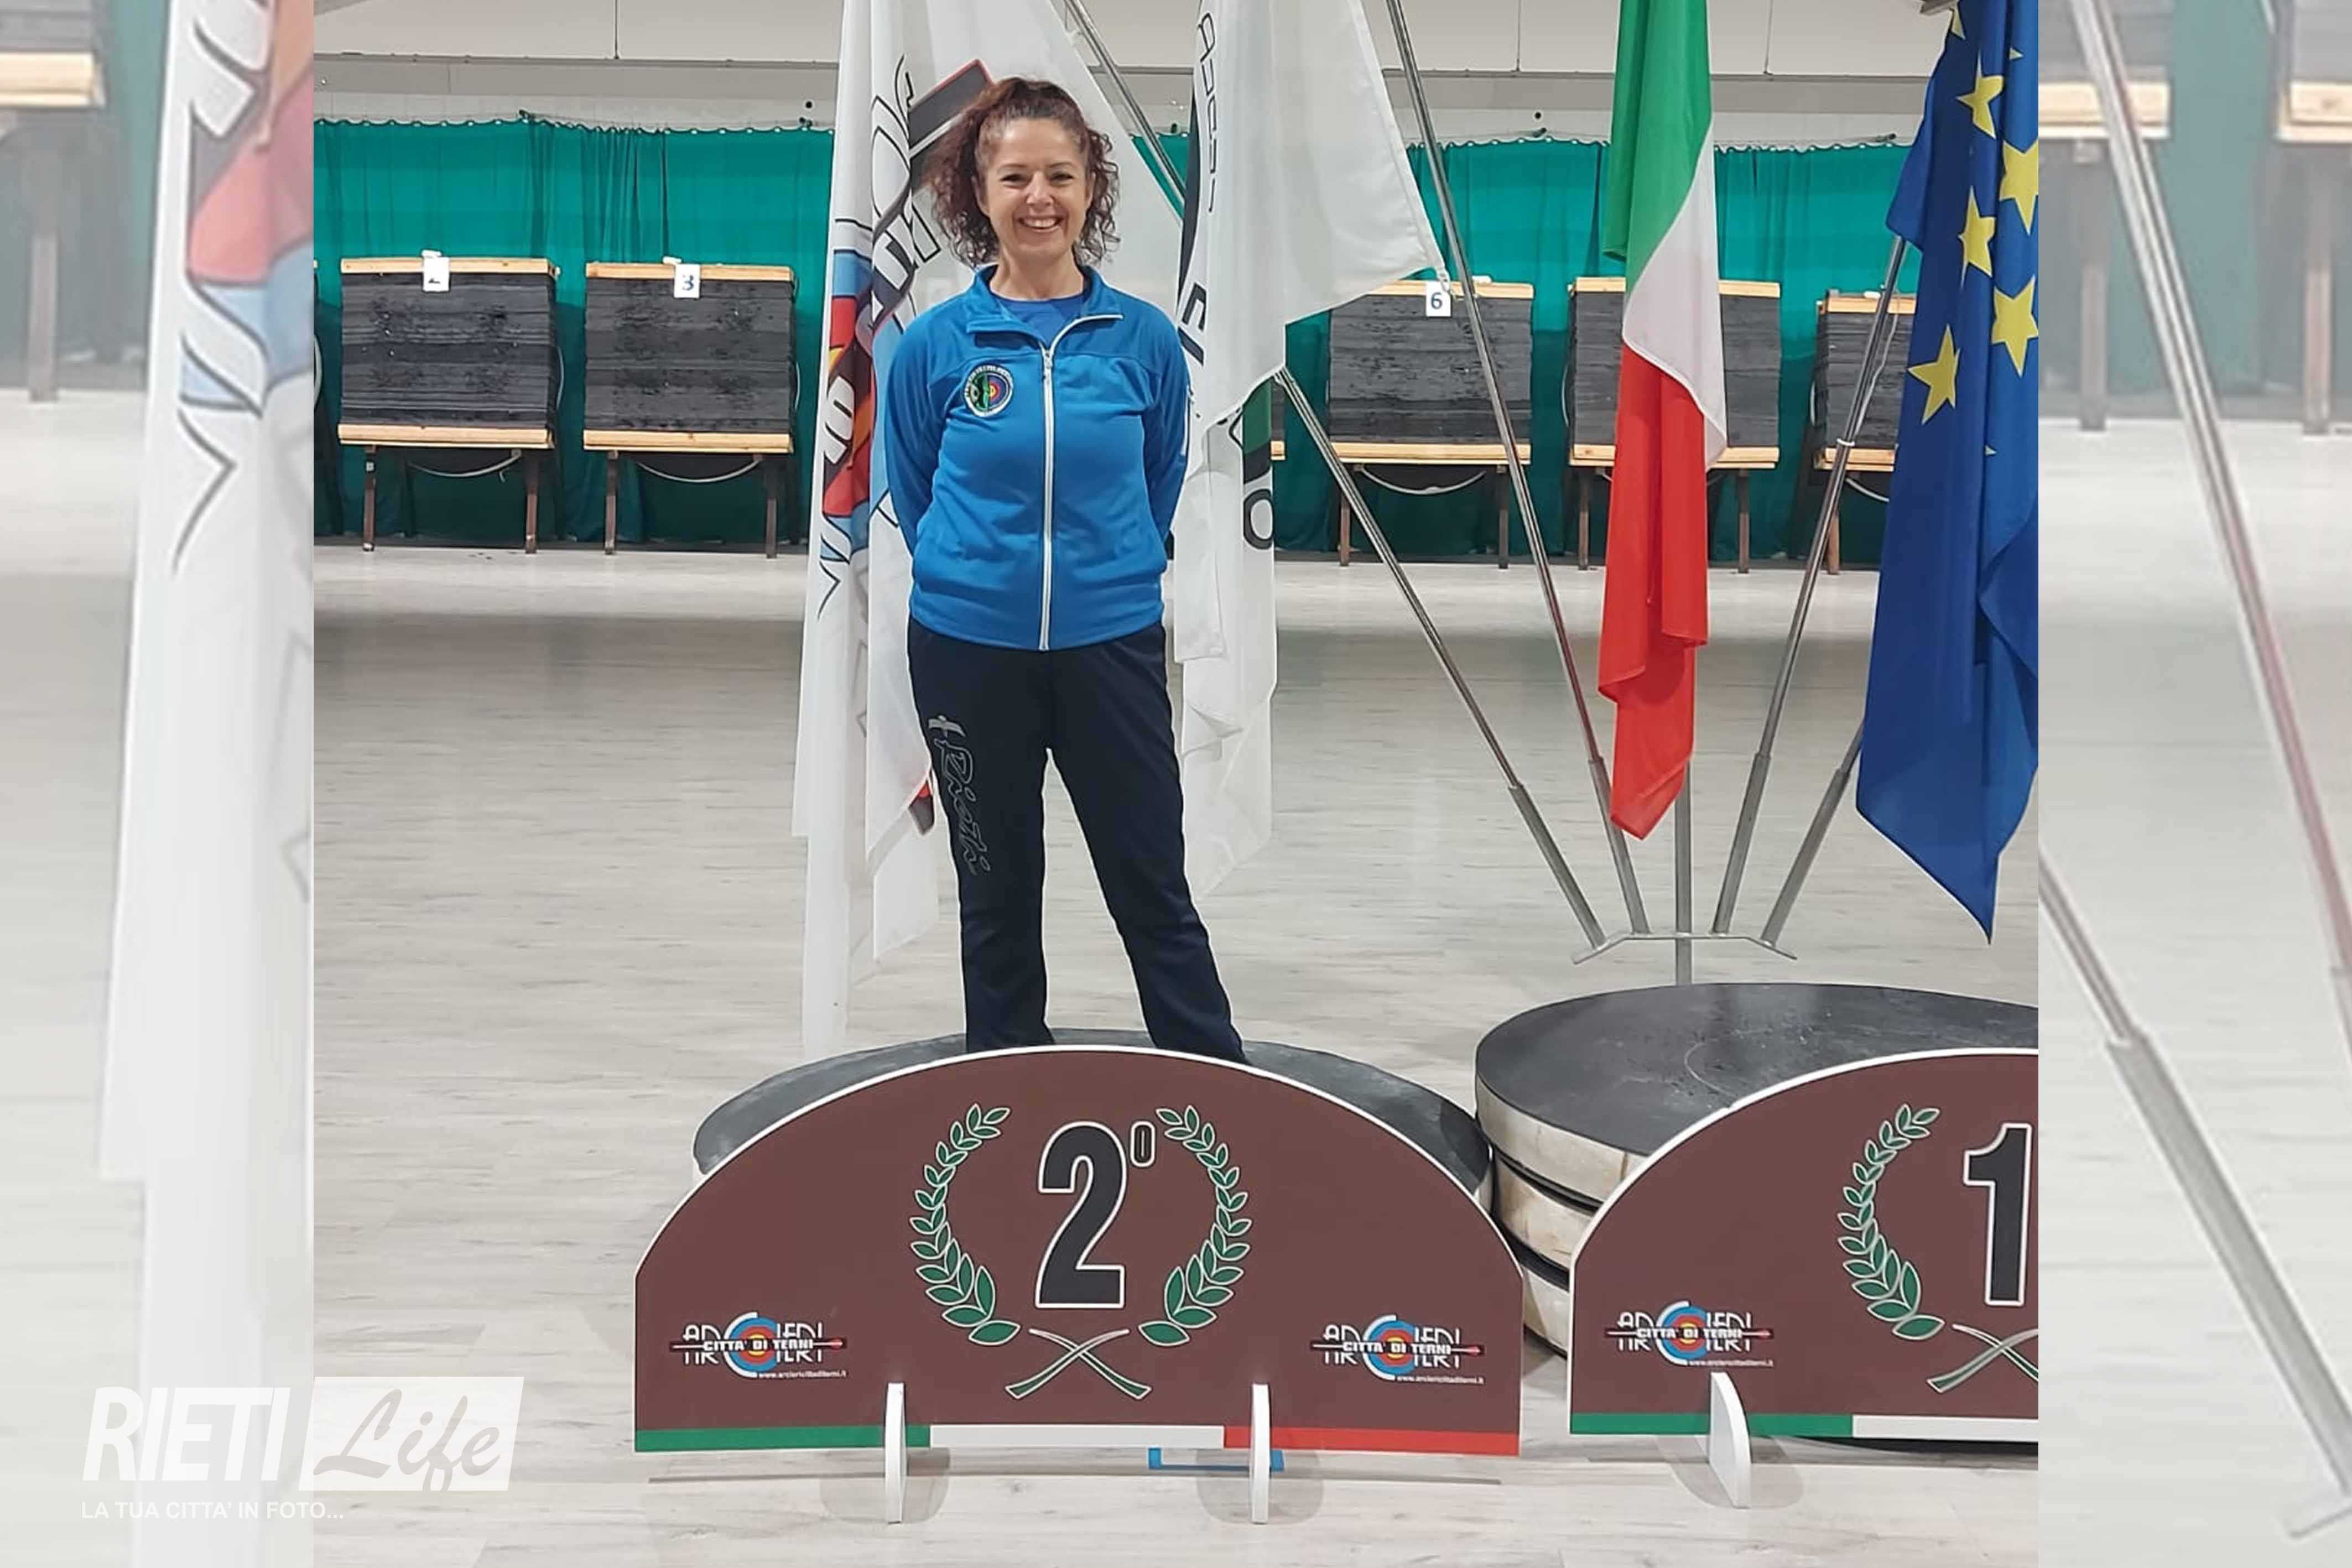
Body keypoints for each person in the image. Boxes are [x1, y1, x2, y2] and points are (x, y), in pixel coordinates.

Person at [881, 76, 1247, 1064]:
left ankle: (1215, 1089)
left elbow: (1160, 476)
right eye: (1014, 178)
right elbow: (913, 488)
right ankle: (1006, 1084)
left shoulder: (1143, 342)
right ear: (978, 193)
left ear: (1091, 189)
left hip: (1108, 651)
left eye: (1059, 175)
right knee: (996, 892)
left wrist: (1101, 575)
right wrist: (981, 576)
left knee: (1151, 884)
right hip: (968, 656)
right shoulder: (935, 346)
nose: (1038, 197)